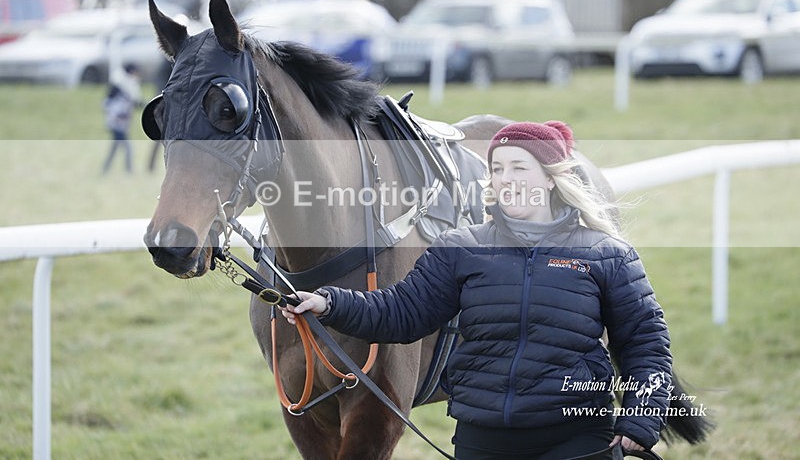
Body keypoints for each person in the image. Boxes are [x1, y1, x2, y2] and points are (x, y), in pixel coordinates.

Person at [282, 121, 672, 459]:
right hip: (483, 437)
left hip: (576, 437)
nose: (506, 179)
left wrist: (642, 416)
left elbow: (645, 342)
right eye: (497, 169)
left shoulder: (606, 254)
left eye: (519, 167)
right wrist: (329, 304)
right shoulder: (462, 248)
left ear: (550, 178)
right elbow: (401, 312)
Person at [101, 63, 142, 174]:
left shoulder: (124, 87)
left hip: (119, 123)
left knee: (114, 148)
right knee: (128, 147)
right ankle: (129, 171)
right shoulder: (121, 86)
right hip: (117, 123)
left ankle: (104, 170)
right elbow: (110, 105)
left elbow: (136, 102)